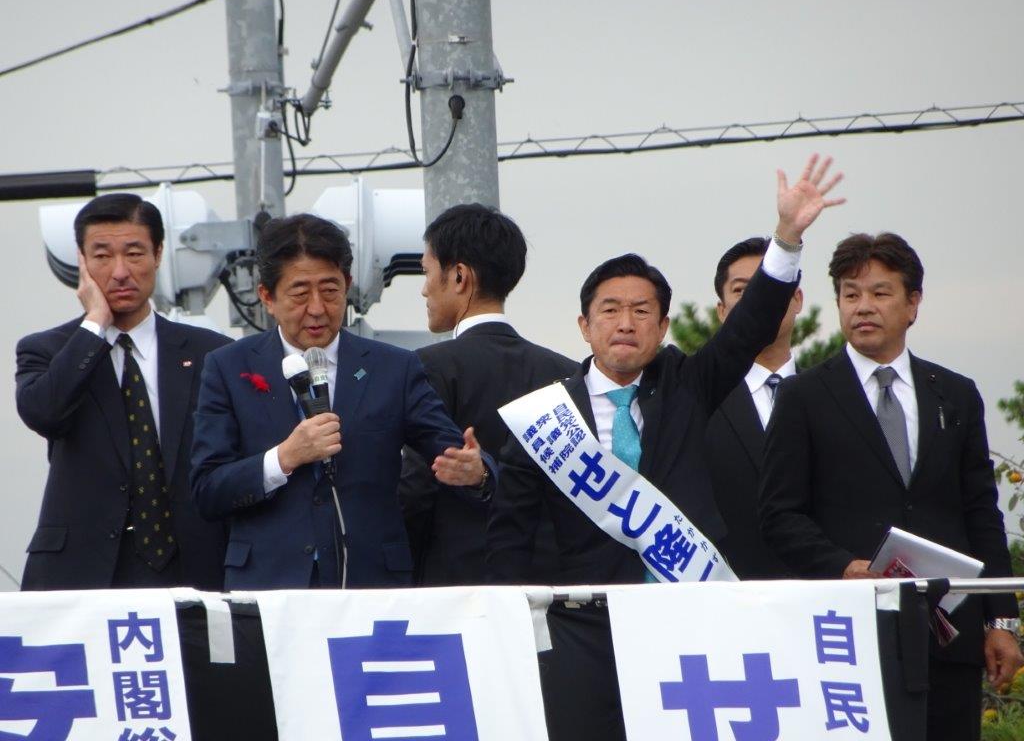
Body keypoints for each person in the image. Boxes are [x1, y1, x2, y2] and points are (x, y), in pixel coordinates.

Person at [487, 155, 844, 741]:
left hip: (689, 618)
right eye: (610, 310)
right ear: (584, 326)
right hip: (586, 629)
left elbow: (749, 327)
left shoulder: (687, 385)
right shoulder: (545, 419)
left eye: (641, 311)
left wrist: (785, 238)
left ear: (662, 326)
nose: (626, 322)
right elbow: (510, 539)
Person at [759, 232, 1023, 740]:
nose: (863, 306)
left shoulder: (955, 394)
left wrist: (1001, 621)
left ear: (912, 303)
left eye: (880, 293)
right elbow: (778, 516)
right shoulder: (803, 396)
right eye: (850, 294)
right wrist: (842, 565)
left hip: (948, 632)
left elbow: (981, 513)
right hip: (848, 637)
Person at [190, 213, 495, 590]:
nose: (317, 308)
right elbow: (208, 489)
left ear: (347, 285)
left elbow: (451, 450)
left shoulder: (394, 367)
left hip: (370, 584)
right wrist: (283, 457)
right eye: (300, 294)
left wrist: (477, 471)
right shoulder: (228, 367)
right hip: (269, 586)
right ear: (267, 296)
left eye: (330, 290)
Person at [15, 193, 231, 590]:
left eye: (134, 254)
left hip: (193, 566)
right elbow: (44, 413)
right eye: (101, 256)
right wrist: (96, 324)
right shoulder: (49, 349)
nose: (119, 272)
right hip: (82, 571)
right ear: (81, 261)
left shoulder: (211, 353)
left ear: (158, 254)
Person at [400, 203, 576, 585]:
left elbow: (415, 488)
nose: (424, 289)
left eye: (426, 272)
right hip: (550, 587)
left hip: (454, 585)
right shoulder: (568, 373)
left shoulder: (426, 366)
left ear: (459, 276)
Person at [705, 236, 802, 579]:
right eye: (742, 290)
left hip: (821, 592)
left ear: (797, 299)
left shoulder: (831, 393)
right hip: (725, 589)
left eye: (772, 285)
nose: (760, 300)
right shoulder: (696, 400)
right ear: (722, 310)